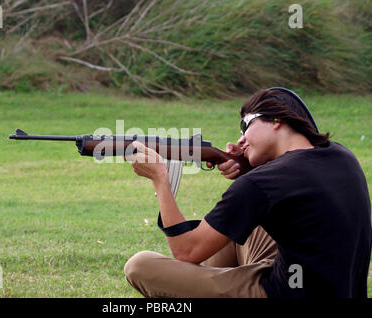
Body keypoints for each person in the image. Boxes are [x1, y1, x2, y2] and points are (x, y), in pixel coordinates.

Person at [123, 88, 371, 298]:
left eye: (246, 125)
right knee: (238, 226)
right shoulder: (341, 156)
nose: (241, 139)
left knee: (140, 266)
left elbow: (186, 252)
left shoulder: (259, 183)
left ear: (277, 119)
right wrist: (249, 168)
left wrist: (160, 179)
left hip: (282, 293)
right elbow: (288, 185)